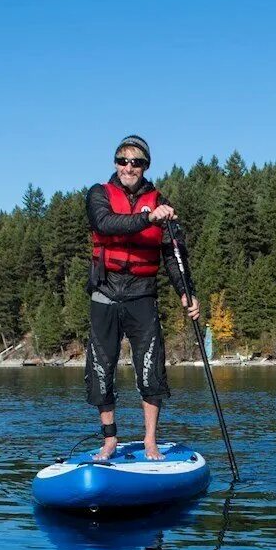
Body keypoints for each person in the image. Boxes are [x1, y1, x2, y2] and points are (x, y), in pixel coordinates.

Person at [84, 135, 200, 461]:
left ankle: (150, 440)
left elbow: (174, 255)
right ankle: (110, 440)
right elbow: (105, 224)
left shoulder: (160, 201)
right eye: (123, 160)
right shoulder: (98, 195)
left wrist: (186, 293)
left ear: (145, 165)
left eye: (136, 162)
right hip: (105, 293)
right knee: (100, 368)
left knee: (150, 368)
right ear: (115, 163)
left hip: (142, 295)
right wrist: (149, 217)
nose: (128, 167)